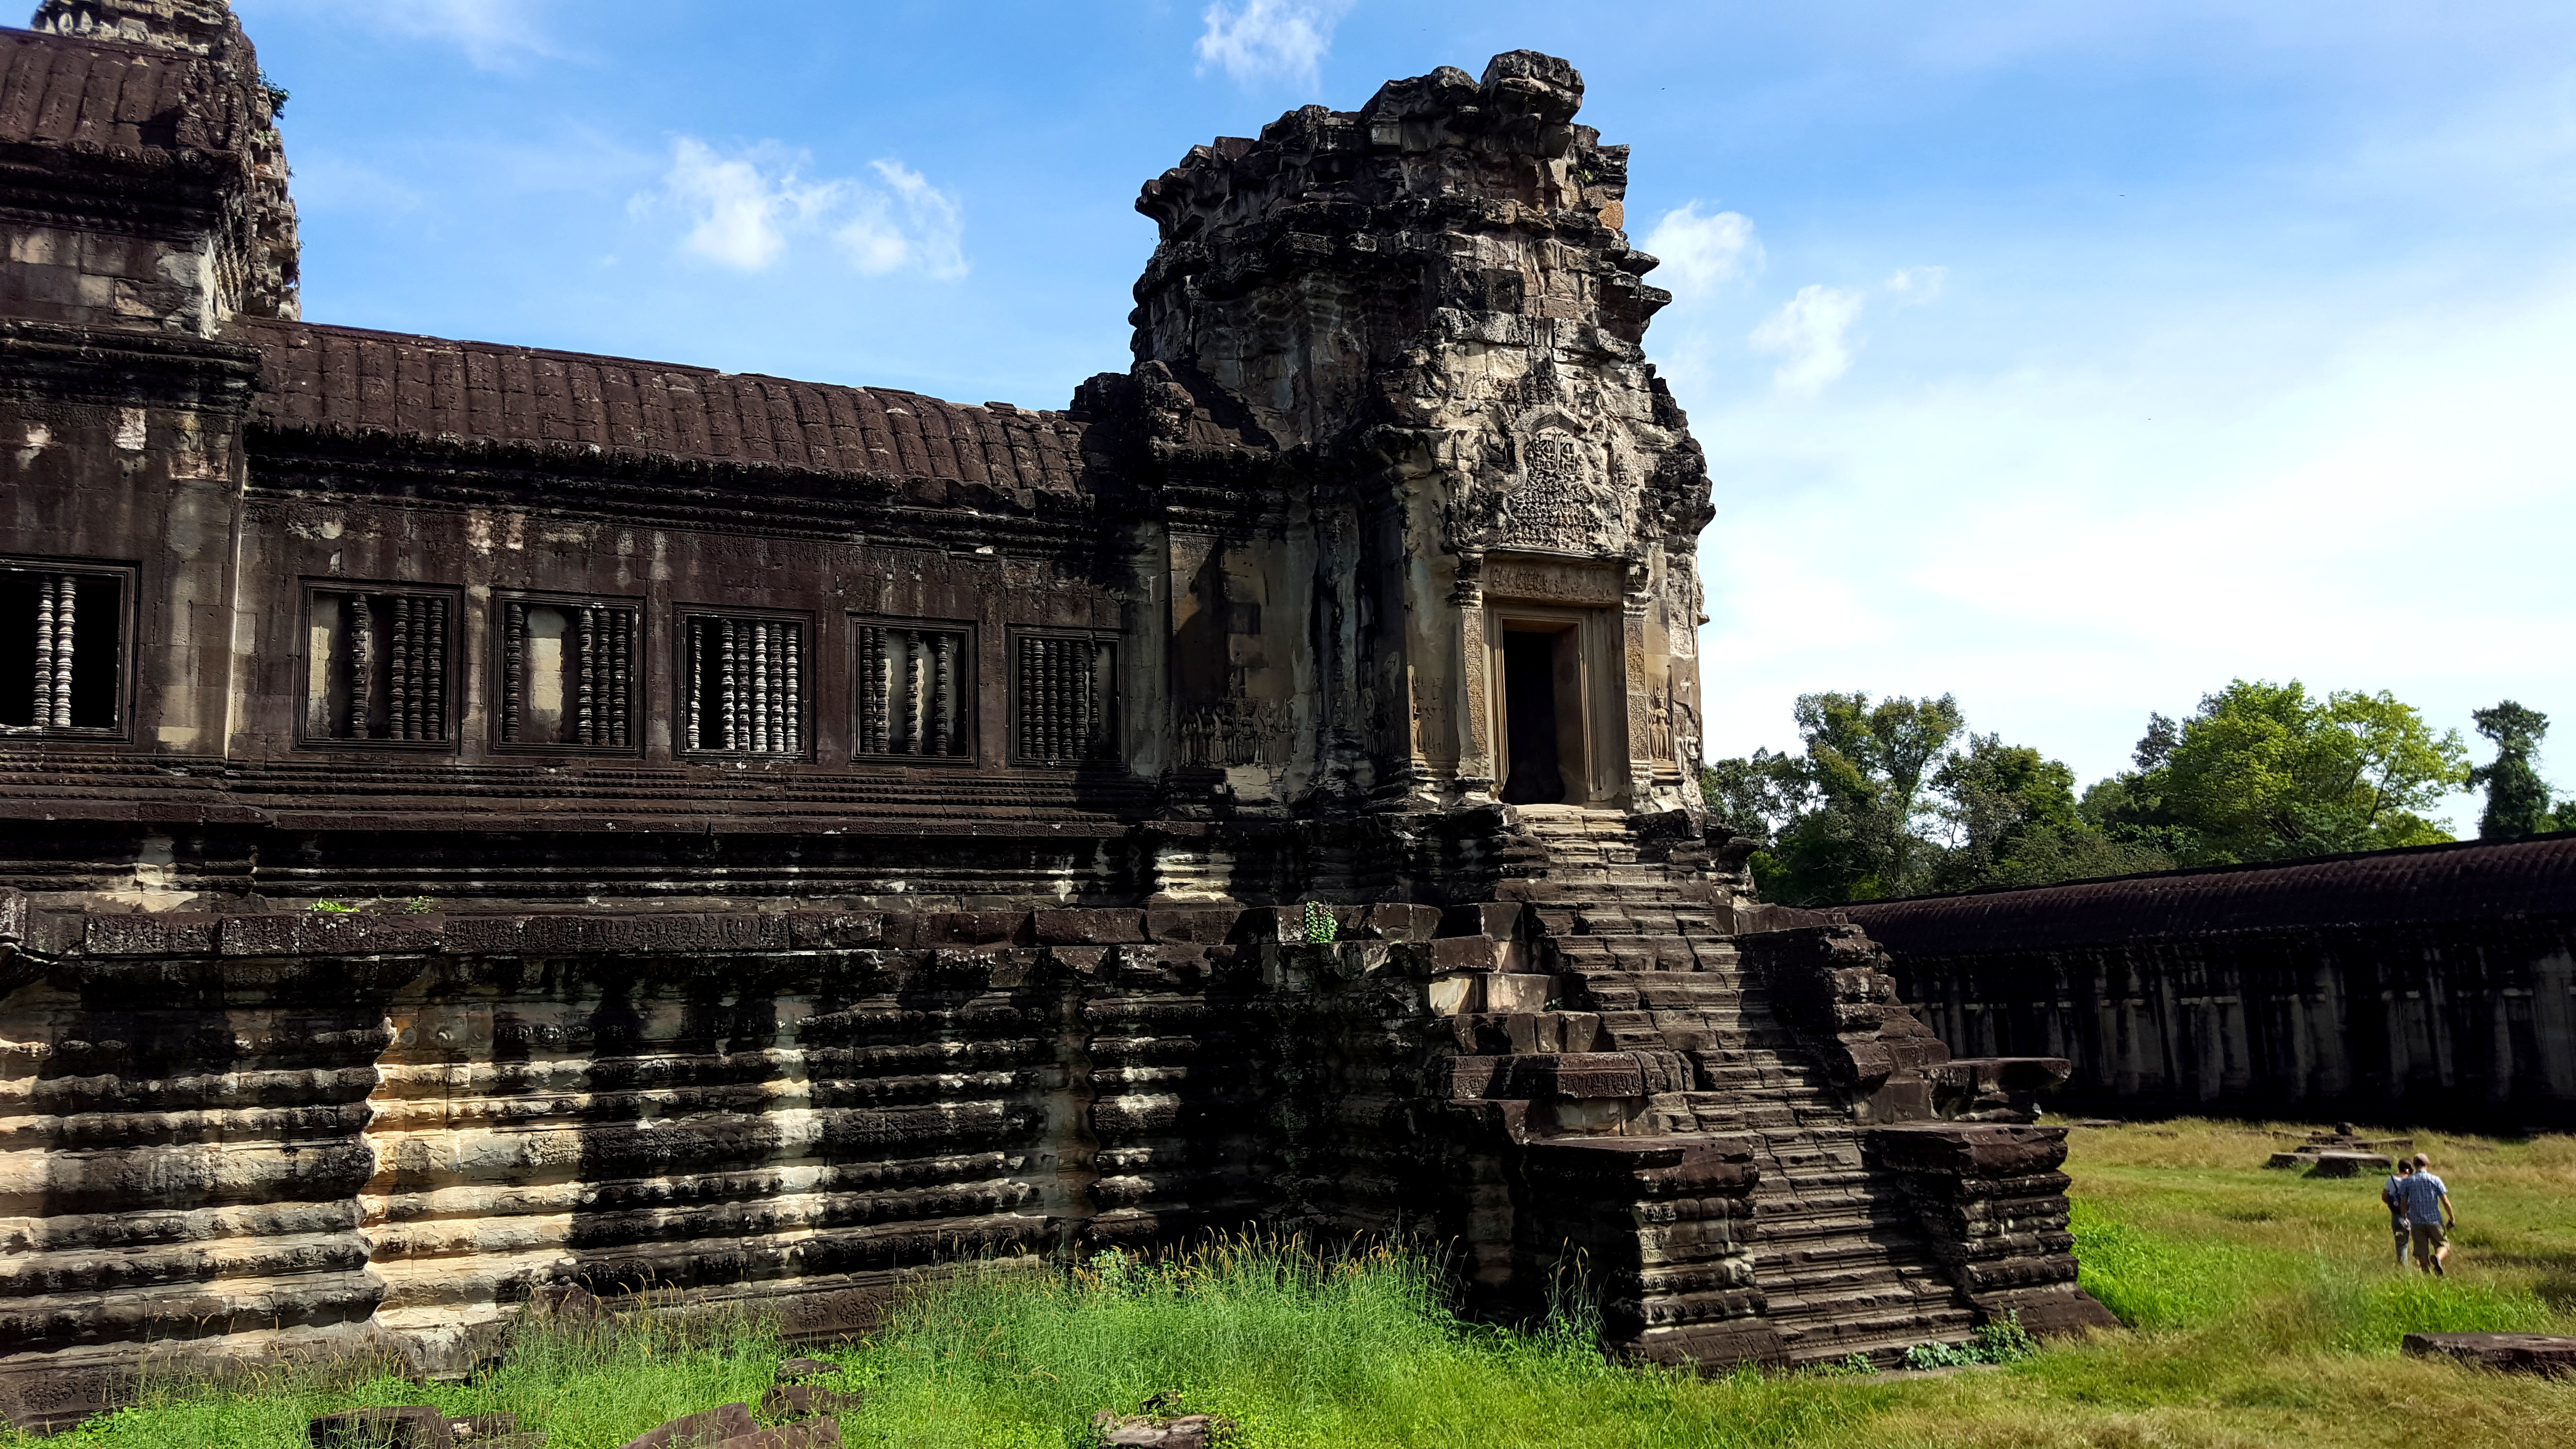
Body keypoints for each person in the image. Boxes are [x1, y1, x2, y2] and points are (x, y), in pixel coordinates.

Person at [2400, 1152, 2454, 1275]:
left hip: (2416, 1221)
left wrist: (2404, 1217)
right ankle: (2438, 1258)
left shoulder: (2407, 1182)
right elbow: (2445, 1201)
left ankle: (2427, 1276)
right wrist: (2452, 1218)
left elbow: (2404, 1202)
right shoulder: (2435, 1180)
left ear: (2414, 1165)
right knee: (2443, 1245)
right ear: (2428, 1165)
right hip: (2434, 1220)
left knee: (2421, 1252)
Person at [2381, 1159, 2414, 1269]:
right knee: (2420, 1241)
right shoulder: (2411, 1180)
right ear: (2409, 1169)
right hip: (2412, 1215)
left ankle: (2403, 1267)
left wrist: (2394, 1206)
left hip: (2397, 1216)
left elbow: (2384, 1197)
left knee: (2401, 1243)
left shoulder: (2390, 1180)